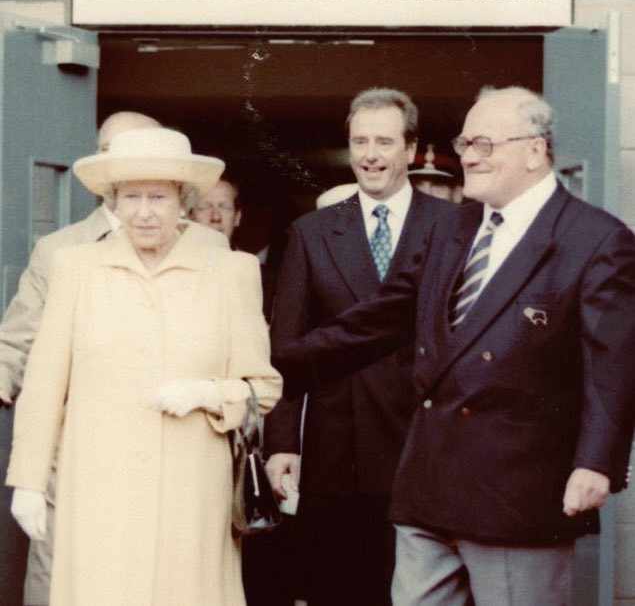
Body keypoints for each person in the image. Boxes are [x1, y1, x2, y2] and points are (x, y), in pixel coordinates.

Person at [273, 86, 635, 606]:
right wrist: (267, 372)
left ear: (535, 150)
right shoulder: (455, 229)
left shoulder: (594, 239)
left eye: (485, 144)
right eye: (466, 142)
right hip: (425, 491)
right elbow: (377, 320)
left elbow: (612, 367)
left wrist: (596, 462)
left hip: (515, 496)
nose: (467, 155)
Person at [6, 126, 281, 606]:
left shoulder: (231, 272)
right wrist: (28, 481)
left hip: (191, 490)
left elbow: (263, 385)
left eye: (159, 196)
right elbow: (45, 382)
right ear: (113, 201)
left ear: (184, 202)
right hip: (97, 486)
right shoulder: (75, 267)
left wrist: (211, 393)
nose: (145, 211)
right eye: (131, 196)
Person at [264, 87, 453, 606]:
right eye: (360, 141)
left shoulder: (455, 227)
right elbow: (288, 347)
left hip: (426, 441)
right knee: (340, 590)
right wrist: (283, 442)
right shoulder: (313, 232)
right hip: (338, 449)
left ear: (411, 150)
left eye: (384, 141)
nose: (370, 154)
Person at [0, 110, 171, 606]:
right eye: (106, 151)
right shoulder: (61, 249)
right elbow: (17, 338)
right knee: (63, 584)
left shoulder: (197, 246)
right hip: (75, 457)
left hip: (160, 450)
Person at [189, 174, 243, 244]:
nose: (216, 217)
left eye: (224, 207)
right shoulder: (175, 255)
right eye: (206, 207)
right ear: (190, 216)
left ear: (237, 217)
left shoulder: (246, 255)